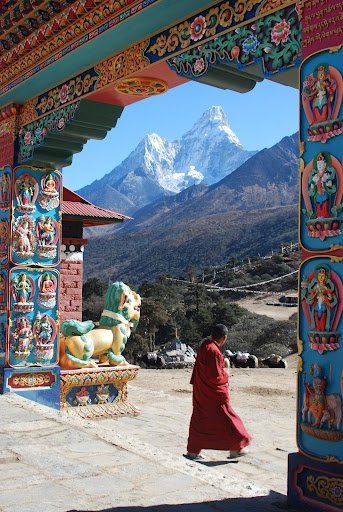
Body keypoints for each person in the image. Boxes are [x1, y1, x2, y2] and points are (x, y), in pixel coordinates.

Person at [185, 324, 251, 461]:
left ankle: (193, 451)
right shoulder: (214, 351)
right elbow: (214, 377)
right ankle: (237, 448)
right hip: (214, 394)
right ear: (224, 338)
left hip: (201, 391)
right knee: (229, 419)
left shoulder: (205, 345)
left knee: (200, 420)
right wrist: (226, 373)